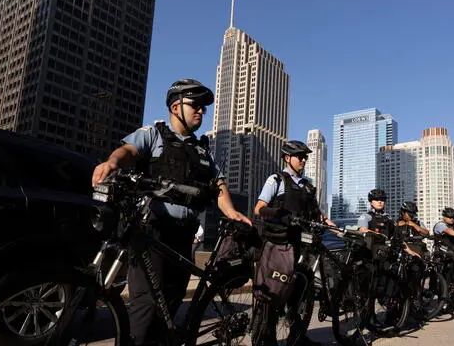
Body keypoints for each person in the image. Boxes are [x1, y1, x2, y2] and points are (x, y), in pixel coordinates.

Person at [92, 79, 251, 346]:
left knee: (171, 304)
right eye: (195, 106)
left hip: (184, 237)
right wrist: (112, 162)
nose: (201, 111)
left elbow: (219, 185)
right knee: (145, 306)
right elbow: (128, 150)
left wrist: (232, 212)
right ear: (176, 107)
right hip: (152, 232)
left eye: (204, 108)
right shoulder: (154, 134)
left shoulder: (203, 150)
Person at [254, 140, 334, 346]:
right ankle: (267, 338)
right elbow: (259, 208)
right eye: (300, 156)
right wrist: (279, 214)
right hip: (277, 244)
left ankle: (297, 337)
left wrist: (333, 227)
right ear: (287, 158)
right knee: (273, 292)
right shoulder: (276, 180)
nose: (304, 160)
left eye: (305, 157)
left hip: (300, 245)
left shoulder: (307, 186)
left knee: (299, 292)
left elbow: (318, 213)